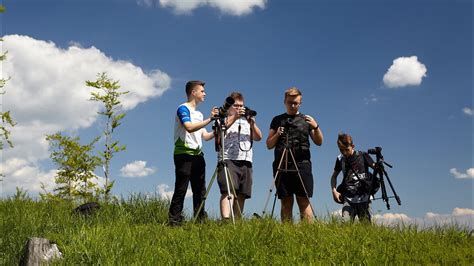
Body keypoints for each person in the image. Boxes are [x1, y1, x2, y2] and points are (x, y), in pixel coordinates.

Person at [266, 87, 323, 222]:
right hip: (282, 164)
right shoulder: (277, 120)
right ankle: (287, 234)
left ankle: (306, 235)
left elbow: (319, 142)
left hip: (302, 164)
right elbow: (268, 144)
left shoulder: (307, 119)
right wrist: (278, 134)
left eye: (295, 103)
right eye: (289, 102)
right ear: (284, 102)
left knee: (304, 201)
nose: (292, 105)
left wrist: (316, 126)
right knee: (286, 202)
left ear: (300, 103)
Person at [168, 80, 218, 226]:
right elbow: (189, 127)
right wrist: (210, 119)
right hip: (183, 154)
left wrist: (220, 129)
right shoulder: (182, 108)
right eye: (202, 91)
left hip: (198, 156)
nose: (205, 93)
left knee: (200, 191)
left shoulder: (199, 114)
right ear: (193, 92)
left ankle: (200, 220)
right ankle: (174, 221)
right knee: (181, 188)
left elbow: (206, 136)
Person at [216, 92, 263, 220]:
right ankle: (226, 220)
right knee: (228, 191)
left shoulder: (247, 121)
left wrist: (252, 123)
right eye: (236, 106)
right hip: (228, 159)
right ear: (230, 106)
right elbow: (220, 133)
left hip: (246, 160)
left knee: (242, 193)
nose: (239, 108)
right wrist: (235, 117)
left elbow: (259, 137)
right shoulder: (223, 118)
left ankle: (237, 221)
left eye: (241, 106)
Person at [330, 133, 376, 222]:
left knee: (367, 227)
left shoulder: (363, 155)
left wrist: (378, 166)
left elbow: (375, 167)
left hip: (364, 199)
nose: (344, 153)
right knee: (345, 225)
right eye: (341, 150)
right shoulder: (340, 159)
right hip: (348, 199)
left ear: (353, 146)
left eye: (346, 149)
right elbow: (333, 177)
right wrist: (334, 191)